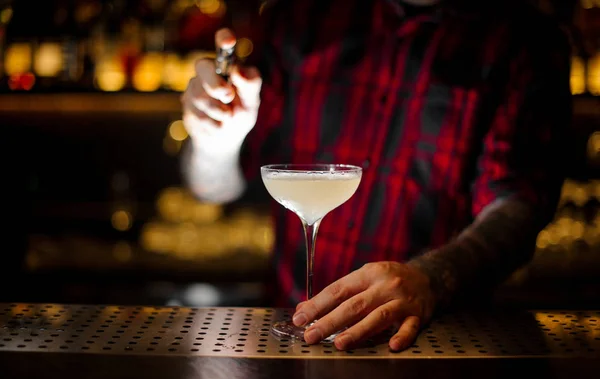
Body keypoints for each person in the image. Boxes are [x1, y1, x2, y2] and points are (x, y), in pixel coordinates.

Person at [180, 0, 572, 351]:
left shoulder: (524, 39)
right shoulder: (301, 15)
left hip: (432, 341)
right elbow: (213, 188)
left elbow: (519, 207)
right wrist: (215, 143)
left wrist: (432, 278)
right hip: (293, 337)